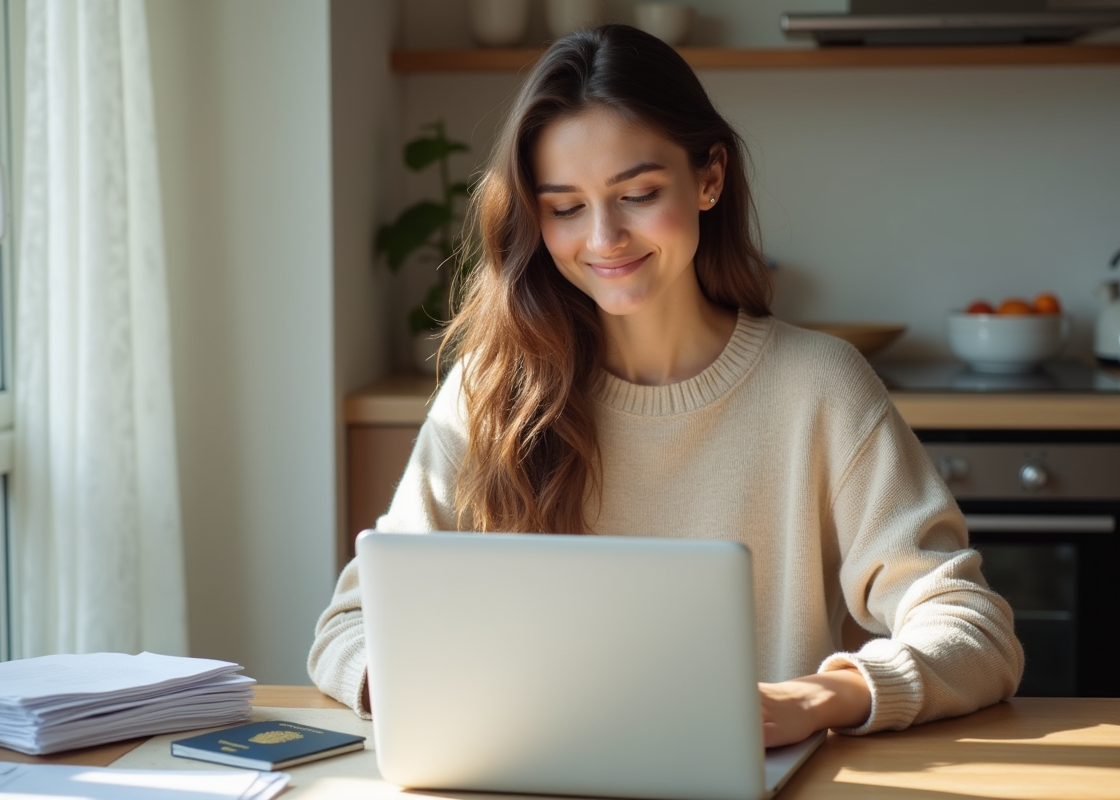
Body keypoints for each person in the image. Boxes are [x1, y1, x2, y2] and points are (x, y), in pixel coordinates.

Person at [309, 23, 1023, 746]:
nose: (603, 238)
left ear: (709, 177)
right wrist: (425, 689)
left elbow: (973, 629)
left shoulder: (819, 389)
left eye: (639, 193)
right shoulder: (492, 391)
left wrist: (816, 697)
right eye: (564, 208)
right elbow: (348, 628)